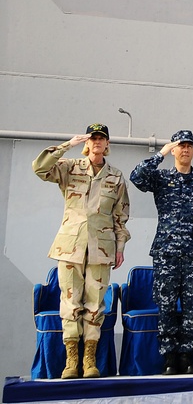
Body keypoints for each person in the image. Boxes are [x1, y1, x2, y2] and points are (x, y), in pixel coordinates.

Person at [32, 123, 130, 379]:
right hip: (71, 246)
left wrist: (120, 247)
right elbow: (40, 168)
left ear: (107, 144)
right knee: (70, 302)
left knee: (95, 305)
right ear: (87, 143)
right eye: (93, 138)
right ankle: (71, 359)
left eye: (102, 138)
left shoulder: (116, 177)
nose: (97, 141)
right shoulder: (70, 167)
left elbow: (120, 217)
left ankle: (90, 359)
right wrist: (68, 144)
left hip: (101, 248)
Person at [130, 129, 193, 375]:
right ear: (174, 150)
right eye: (181, 145)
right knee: (167, 305)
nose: (186, 149)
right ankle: (170, 357)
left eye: (190, 145)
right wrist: (160, 153)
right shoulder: (161, 179)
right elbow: (137, 176)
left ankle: (187, 356)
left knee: (192, 306)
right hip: (167, 252)